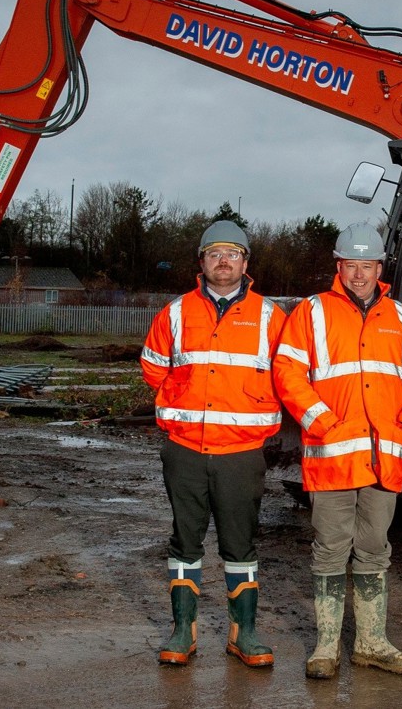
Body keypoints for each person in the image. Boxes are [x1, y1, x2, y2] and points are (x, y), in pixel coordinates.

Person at [272, 222, 402, 680]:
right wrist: (319, 420)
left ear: (379, 267)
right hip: (332, 457)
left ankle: (370, 642)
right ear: (338, 267)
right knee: (329, 549)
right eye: (351, 265)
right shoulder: (311, 313)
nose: (359, 274)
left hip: (384, 457)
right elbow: (287, 372)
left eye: (367, 265)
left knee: (374, 548)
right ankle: (326, 647)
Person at [140, 220, 286, 669]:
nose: (224, 261)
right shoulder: (176, 312)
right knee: (184, 541)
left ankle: (245, 634)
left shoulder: (270, 316)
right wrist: (177, 404)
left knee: (240, 545)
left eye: (233, 254)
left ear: (246, 264)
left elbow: (290, 373)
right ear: (201, 262)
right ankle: (184, 630)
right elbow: (153, 365)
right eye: (215, 254)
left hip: (241, 453)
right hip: (184, 449)